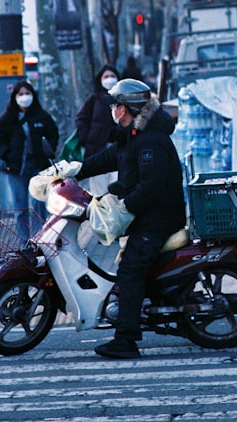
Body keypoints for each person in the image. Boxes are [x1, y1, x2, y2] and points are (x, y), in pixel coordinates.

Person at [74, 79, 186, 359]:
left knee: (130, 271)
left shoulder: (150, 140)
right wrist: (75, 169)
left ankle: (126, 340)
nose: (112, 109)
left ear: (124, 109)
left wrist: (125, 206)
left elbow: (152, 186)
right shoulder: (133, 135)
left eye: (115, 105)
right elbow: (111, 157)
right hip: (146, 216)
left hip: (158, 219)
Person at [0, 81, 59, 239]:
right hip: (17, 168)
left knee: (39, 207)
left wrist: (47, 151)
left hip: (39, 167)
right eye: (20, 94)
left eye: (27, 93)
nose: (24, 97)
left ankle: (39, 240)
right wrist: (7, 155)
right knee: (20, 208)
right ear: (15, 97)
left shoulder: (42, 116)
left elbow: (53, 135)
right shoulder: (8, 118)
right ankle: (24, 244)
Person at [75, 65, 120, 194]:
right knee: (99, 192)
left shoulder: (123, 99)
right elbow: (81, 119)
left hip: (118, 149)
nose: (109, 79)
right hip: (96, 150)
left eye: (112, 76)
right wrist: (86, 138)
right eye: (106, 76)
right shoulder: (94, 99)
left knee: (117, 191)